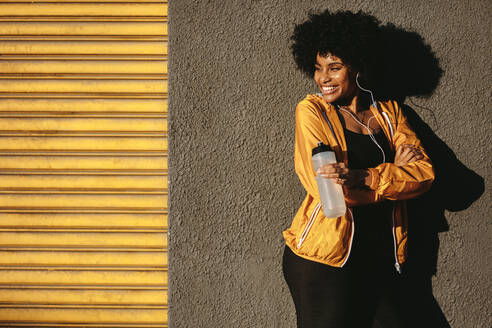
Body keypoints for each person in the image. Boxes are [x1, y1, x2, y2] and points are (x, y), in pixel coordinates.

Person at [282, 10, 435, 328]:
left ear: (358, 66)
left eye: (334, 68)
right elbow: (333, 196)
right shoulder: (311, 112)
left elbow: (424, 175)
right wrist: (394, 176)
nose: (323, 78)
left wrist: (364, 177)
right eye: (318, 68)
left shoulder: (390, 114)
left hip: (380, 256)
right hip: (323, 259)